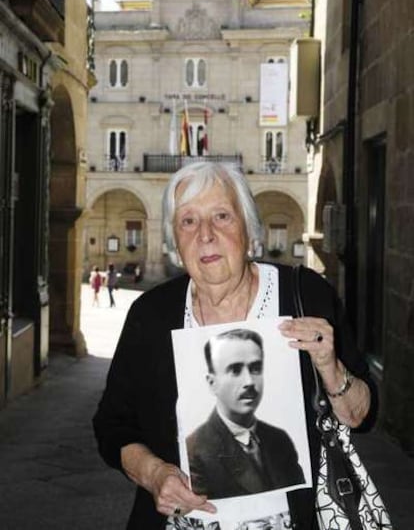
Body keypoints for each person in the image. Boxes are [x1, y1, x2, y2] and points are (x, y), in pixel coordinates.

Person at [93, 162, 377, 530]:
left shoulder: (304, 295)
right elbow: (112, 425)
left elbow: (362, 417)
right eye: (188, 221)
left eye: (222, 216)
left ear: (248, 228)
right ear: (174, 241)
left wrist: (331, 367)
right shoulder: (151, 316)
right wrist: (153, 474)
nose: (205, 235)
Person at [187, 328, 305, 499]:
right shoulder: (196, 452)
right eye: (235, 370)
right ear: (212, 383)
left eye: (256, 368)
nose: (249, 381)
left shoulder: (279, 439)